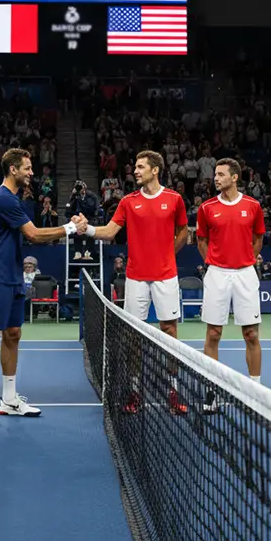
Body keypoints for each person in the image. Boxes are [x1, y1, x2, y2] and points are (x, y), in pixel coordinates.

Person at [0, 148, 81, 426]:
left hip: (11, 275)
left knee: (13, 333)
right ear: (13, 170)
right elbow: (33, 234)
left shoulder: (14, 199)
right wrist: (69, 228)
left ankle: (8, 399)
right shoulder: (2, 198)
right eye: (28, 168)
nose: (32, 173)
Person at [76, 150, 190, 414]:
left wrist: (168, 255)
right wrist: (88, 229)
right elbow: (109, 232)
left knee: (170, 333)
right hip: (136, 278)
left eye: (140, 167)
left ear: (155, 170)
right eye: (135, 167)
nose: (135, 171)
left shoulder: (174, 200)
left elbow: (183, 230)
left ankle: (173, 391)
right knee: (133, 336)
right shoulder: (128, 201)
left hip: (166, 277)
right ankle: (135, 391)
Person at [195, 158, 266, 406]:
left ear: (235, 177)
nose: (216, 178)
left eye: (221, 174)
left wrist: (245, 258)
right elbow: (201, 240)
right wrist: (213, 262)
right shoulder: (206, 208)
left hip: (246, 274)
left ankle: (255, 392)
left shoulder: (253, 206)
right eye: (215, 174)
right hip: (217, 275)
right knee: (213, 334)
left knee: (251, 334)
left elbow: (258, 238)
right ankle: (211, 391)